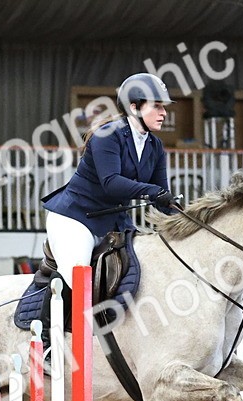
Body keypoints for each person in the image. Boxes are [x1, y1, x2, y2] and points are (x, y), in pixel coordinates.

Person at [42, 72, 179, 288]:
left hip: (114, 224)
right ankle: (57, 322)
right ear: (134, 107)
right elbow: (112, 183)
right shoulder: (108, 135)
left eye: (164, 107)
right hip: (76, 219)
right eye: (157, 106)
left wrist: (187, 221)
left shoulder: (155, 146)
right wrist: (153, 192)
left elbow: (161, 197)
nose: (164, 113)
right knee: (78, 282)